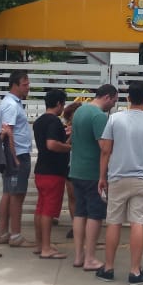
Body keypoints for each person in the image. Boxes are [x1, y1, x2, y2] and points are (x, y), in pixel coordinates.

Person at [95, 82, 143, 284]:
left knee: (113, 222)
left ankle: (108, 268)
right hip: (142, 180)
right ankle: (134, 271)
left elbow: (105, 150)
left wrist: (101, 177)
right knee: (137, 223)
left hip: (117, 178)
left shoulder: (114, 119)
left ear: (128, 98)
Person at [69, 84, 118, 271]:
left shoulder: (80, 111)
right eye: (113, 100)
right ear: (107, 97)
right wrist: (104, 175)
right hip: (93, 172)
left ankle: (79, 256)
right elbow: (104, 147)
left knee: (80, 213)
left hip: (76, 171)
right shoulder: (98, 116)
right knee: (95, 215)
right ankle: (90, 258)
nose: (113, 105)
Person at [0, 70, 33, 248]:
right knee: (17, 195)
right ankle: (15, 235)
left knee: (9, 194)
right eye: (25, 84)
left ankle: (4, 233)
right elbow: (7, 131)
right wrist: (15, 158)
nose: (28, 87)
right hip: (16, 155)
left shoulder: (13, 103)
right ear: (15, 85)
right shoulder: (11, 105)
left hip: (14, 154)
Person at [33, 88, 70, 259]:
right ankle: (46, 248)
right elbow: (52, 144)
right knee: (48, 210)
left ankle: (40, 244)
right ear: (59, 103)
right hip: (53, 172)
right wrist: (69, 147)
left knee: (41, 208)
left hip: (41, 170)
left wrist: (66, 134)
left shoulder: (40, 121)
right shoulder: (54, 122)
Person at [61, 101, 81, 238]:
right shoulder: (65, 129)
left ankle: (83, 225)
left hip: (83, 165)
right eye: (72, 117)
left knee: (83, 197)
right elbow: (61, 146)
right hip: (69, 165)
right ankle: (75, 226)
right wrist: (70, 136)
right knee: (72, 196)